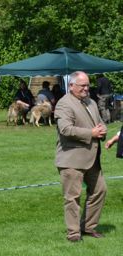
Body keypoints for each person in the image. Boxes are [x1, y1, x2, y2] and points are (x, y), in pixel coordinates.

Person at [54, 71, 107, 243]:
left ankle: (89, 227)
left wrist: (102, 129)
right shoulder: (64, 104)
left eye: (87, 85)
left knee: (100, 190)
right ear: (71, 86)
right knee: (72, 197)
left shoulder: (90, 102)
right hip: (72, 159)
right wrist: (91, 133)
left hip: (92, 158)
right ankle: (73, 233)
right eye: (82, 85)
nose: (86, 88)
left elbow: (99, 122)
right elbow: (65, 129)